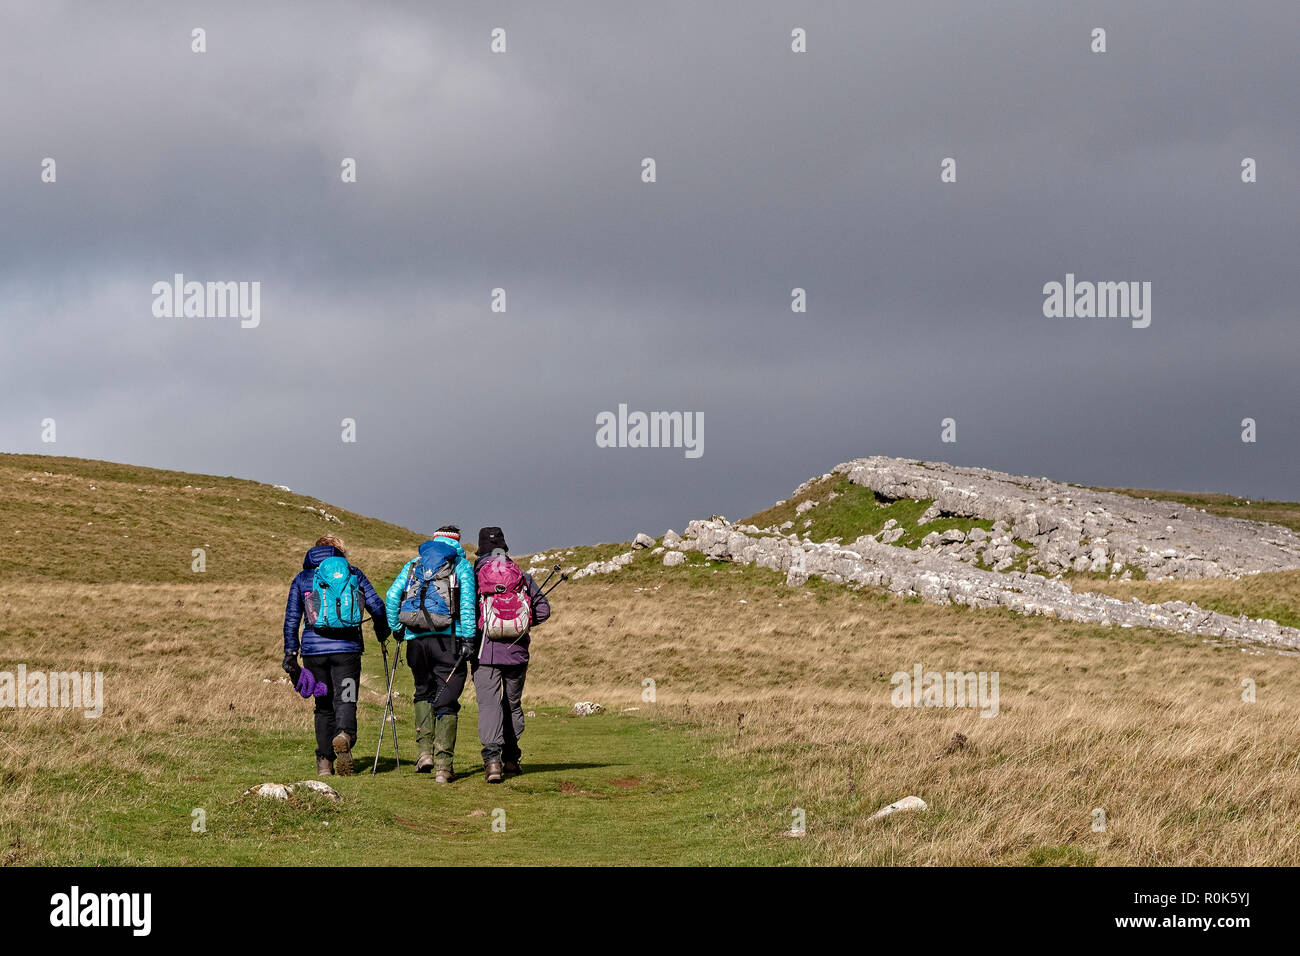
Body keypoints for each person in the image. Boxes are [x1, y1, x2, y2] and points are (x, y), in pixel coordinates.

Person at [283, 535, 389, 776]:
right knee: (347, 697)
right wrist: (382, 632)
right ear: (340, 551)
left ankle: (324, 763)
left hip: (314, 654)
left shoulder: (302, 579)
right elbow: (377, 606)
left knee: (322, 705)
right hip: (347, 652)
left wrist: (291, 651)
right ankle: (344, 735)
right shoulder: (353, 573)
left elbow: (291, 618)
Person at [385, 525, 477, 782]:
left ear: (434, 539)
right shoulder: (460, 565)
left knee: (422, 692)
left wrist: (397, 629)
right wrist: (468, 638)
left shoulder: (414, 564)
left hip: (416, 640)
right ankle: (443, 767)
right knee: (447, 701)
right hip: (448, 641)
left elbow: (392, 596)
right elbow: (467, 604)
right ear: (457, 542)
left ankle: (424, 753)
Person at [472, 526, 550, 783]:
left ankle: (492, 762)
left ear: (480, 550)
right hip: (517, 651)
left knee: (489, 706)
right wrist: (520, 624)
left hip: (485, 652)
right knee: (512, 704)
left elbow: (467, 614)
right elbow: (544, 610)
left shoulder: (475, 576)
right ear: (504, 548)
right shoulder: (521, 575)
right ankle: (511, 759)